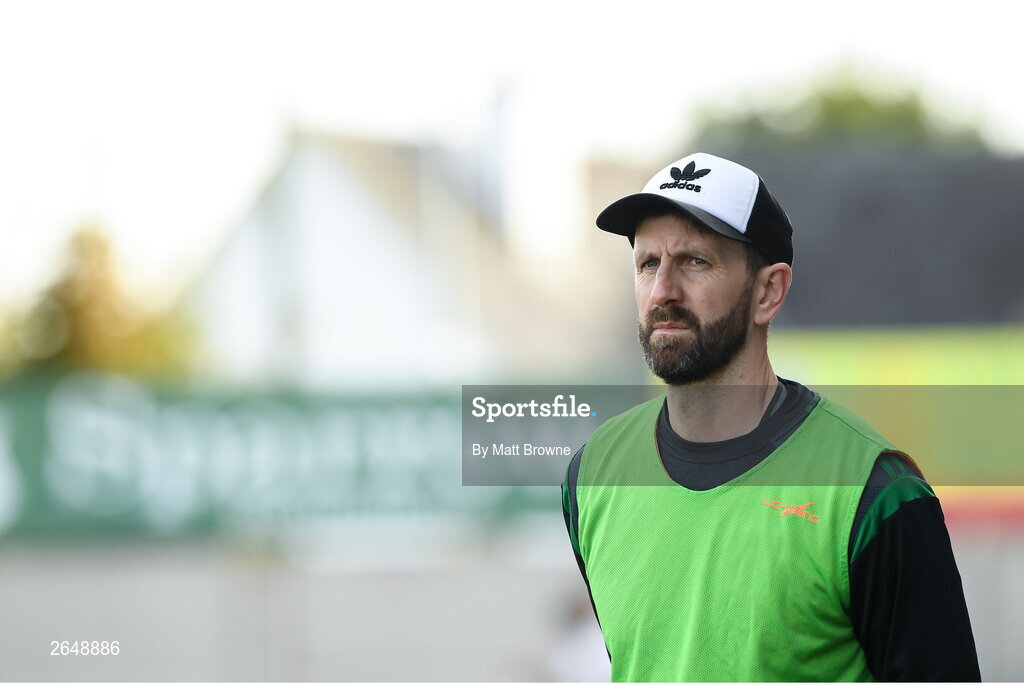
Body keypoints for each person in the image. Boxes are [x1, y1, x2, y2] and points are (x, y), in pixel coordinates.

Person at [560, 152, 980, 682]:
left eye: (695, 261)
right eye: (648, 263)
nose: (663, 291)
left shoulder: (874, 492)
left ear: (768, 291)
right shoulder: (595, 474)